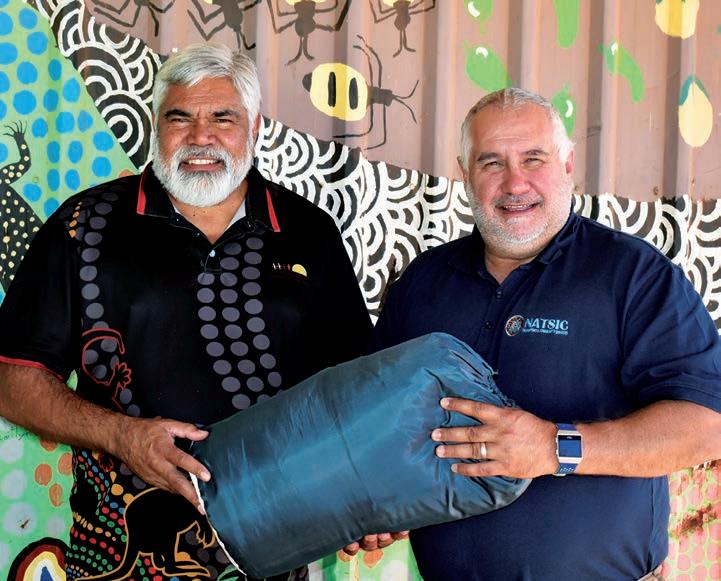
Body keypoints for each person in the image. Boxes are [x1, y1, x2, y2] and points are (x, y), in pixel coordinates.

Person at [0, 43, 371, 581]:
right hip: (116, 558)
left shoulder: (308, 232)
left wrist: (366, 493)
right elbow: (13, 379)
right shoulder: (84, 225)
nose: (201, 137)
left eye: (222, 117)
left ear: (254, 128)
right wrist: (122, 437)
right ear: (156, 127)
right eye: (180, 118)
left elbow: (356, 390)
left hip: (273, 553)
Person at [368, 88, 721, 580]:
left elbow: (707, 427)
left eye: (533, 159)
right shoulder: (422, 283)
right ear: (465, 172)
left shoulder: (633, 275)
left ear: (567, 163)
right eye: (492, 162)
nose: (515, 183)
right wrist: (373, 503)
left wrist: (556, 447)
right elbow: (380, 421)